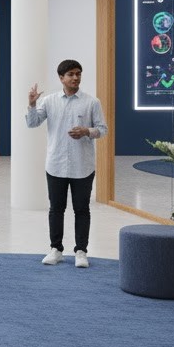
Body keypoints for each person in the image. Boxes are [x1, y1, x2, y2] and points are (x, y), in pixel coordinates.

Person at [26, 59, 108, 268]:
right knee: (56, 209)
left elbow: (103, 129)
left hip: (83, 166)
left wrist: (86, 131)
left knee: (82, 209)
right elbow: (32, 123)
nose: (75, 78)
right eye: (71, 74)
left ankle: (81, 251)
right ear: (61, 78)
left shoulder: (92, 102)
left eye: (78, 74)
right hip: (56, 164)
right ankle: (56, 249)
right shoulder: (50, 101)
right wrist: (33, 104)